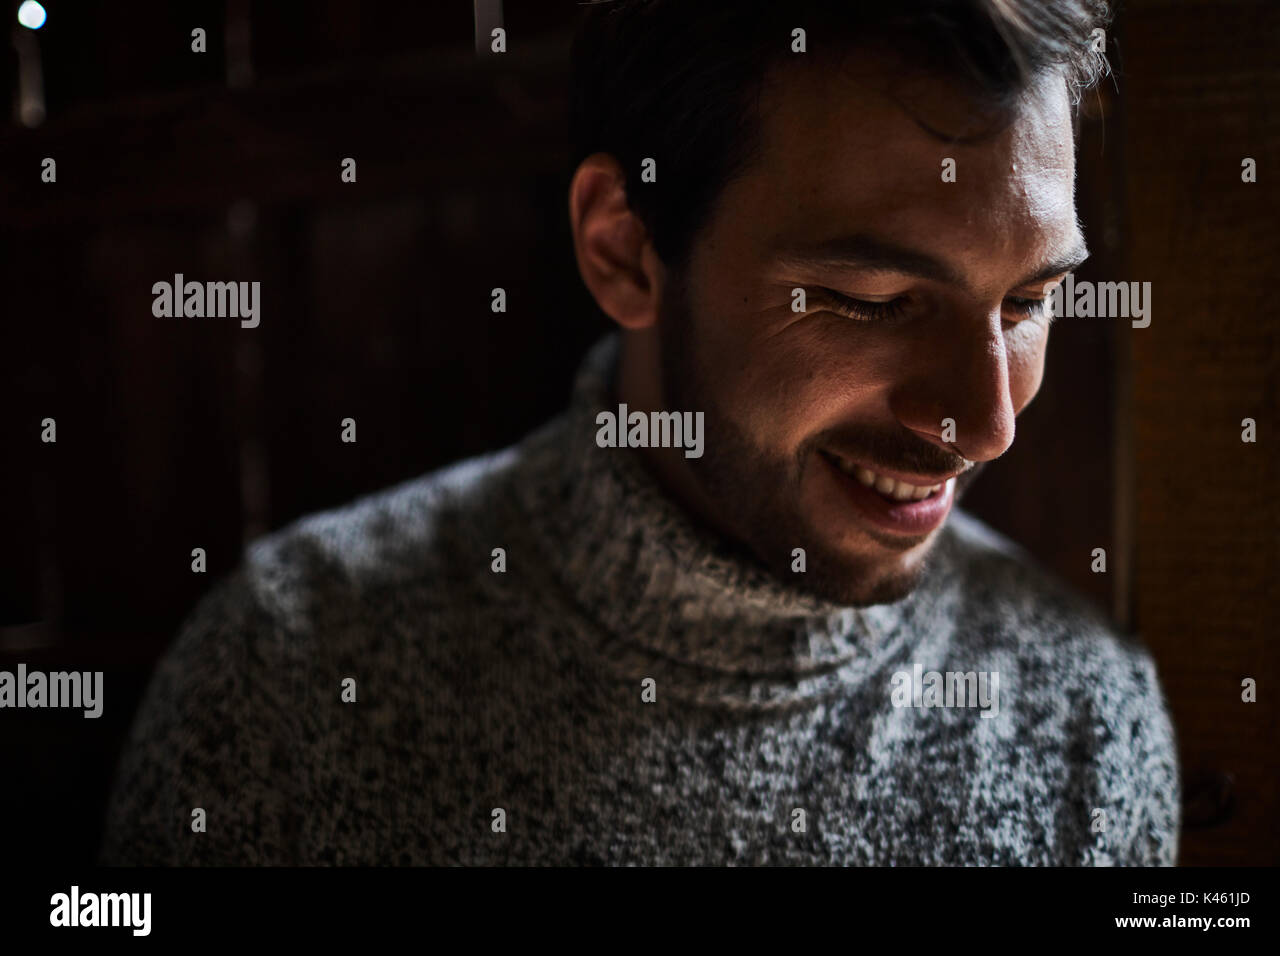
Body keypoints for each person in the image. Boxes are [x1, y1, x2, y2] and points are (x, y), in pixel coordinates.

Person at [100, 0, 1179, 865]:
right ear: (623, 248)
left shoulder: (1083, 710)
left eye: (1028, 301)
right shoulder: (285, 679)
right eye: (869, 297)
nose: (984, 425)